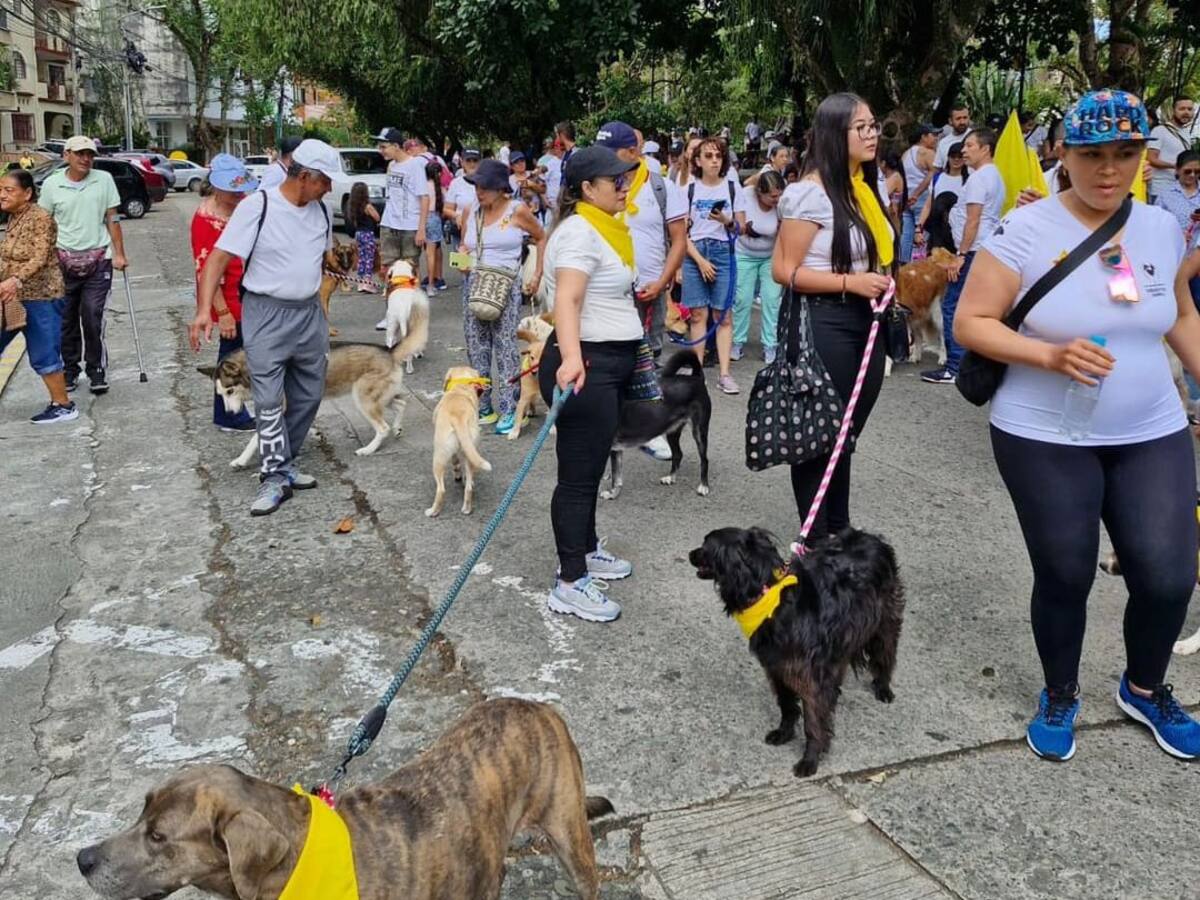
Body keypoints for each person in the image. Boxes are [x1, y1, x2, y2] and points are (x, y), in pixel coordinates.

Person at [954, 88, 1200, 762]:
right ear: (1063, 153)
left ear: (1145, 155)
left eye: (1127, 153)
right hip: (1043, 433)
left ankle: (1144, 690)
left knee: (1170, 574)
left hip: (1151, 427)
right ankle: (1059, 691)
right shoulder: (1026, 231)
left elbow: (1177, 311)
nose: (1110, 169)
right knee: (1065, 572)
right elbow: (968, 322)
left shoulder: (1158, 227)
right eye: (1093, 154)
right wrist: (1048, 354)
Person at [189, 139, 337, 517]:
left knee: (308, 394)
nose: (330, 188)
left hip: (308, 314)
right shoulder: (260, 205)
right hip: (266, 313)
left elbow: (318, 257)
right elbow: (218, 258)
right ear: (304, 176)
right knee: (269, 400)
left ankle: (285, 461)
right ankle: (273, 476)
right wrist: (205, 309)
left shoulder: (321, 210)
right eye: (325, 181)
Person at [772, 92, 894, 545]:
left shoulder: (865, 188)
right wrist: (850, 283)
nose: (871, 134)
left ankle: (838, 531)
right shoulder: (808, 194)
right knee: (820, 437)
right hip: (825, 325)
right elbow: (783, 271)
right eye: (860, 127)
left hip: (869, 324)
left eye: (873, 124)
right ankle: (818, 539)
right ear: (832, 134)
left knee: (845, 436)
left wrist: (876, 282)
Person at [537, 146, 642, 623]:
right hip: (585, 365)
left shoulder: (607, 229)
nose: (625, 187)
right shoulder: (580, 231)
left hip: (609, 361)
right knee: (578, 478)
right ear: (587, 189)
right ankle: (570, 579)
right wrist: (575, 359)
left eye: (627, 179)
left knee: (594, 466)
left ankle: (587, 547)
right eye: (616, 180)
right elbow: (568, 298)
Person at [458, 159, 546, 434]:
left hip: (505, 284)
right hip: (474, 283)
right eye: (476, 186)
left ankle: (511, 407)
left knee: (506, 345)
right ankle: (482, 404)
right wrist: (460, 262)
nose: (478, 192)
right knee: (476, 344)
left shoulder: (517, 210)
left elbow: (541, 238)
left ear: (500, 189)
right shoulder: (471, 211)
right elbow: (463, 244)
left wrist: (536, 275)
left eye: (484, 187)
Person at [38, 134, 127, 395]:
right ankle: (70, 368)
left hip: (98, 259)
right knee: (65, 320)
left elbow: (113, 218)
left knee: (91, 315)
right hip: (62, 260)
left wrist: (119, 253)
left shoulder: (104, 180)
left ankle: (96, 368)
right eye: (80, 154)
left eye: (90, 154)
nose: (86, 159)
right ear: (66, 156)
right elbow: (45, 224)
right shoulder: (53, 184)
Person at [595, 121, 687, 360]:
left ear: (633, 152)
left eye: (610, 152)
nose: (603, 159)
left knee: (650, 357)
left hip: (650, 290)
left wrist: (662, 283)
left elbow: (679, 240)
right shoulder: (597, 188)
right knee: (612, 357)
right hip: (607, 291)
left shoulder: (661, 188)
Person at [921, 126, 1004, 385]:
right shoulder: (992, 175)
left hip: (973, 250)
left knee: (952, 305)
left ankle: (955, 365)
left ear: (985, 148)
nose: (964, 151)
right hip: (982, 249)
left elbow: (973, 220)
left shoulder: (980, 179)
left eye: (969, 146)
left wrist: (961, 255)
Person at [190, 154, 259, 431]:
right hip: (228, 297)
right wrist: (222, 311)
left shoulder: (241, 207)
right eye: (232, 189)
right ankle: (228, 414)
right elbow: (205, 269)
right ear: (217, 187)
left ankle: (234, 409)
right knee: (231, 357)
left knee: (245, 352)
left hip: (248, 288)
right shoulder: (205, 220)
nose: (238, 193)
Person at [0, 169, 73, 423]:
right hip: (12, 296)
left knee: (44, 353)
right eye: (1, 190)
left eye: (9, 190)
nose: (2, 195)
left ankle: (63, 405)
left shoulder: (41, 218)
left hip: (41, 296)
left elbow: (40, 256)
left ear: (28, 193)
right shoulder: (13, 217)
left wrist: (16, 279)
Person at [682, 137, 747, 394]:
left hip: (722, 250)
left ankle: (724, 373)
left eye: (718, 156)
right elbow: (680, 233)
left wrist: (726, 220)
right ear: (697, 160)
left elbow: (740, 228)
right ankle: (696, 373)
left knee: (723, 315)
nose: (714, 161)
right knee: (698, 314)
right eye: (708, 156)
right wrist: (699, 260)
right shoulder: (689, 189)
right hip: (695, 251)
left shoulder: (732, 188)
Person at [732, 169, 785, 364]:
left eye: (779, 195)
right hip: (745, 254)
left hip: (770, 256)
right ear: (759, 192)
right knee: (742, 299)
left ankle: (770, 345)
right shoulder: (746, 196)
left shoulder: (782, 204)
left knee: (771, 301)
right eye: (772, 196)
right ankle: (737, 342)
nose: (776, 199)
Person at [373, 127, 430, 271]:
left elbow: (424, 197)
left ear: (396, 146)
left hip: (410, 227)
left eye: (384, 147)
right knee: (388, 266)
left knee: (410, 268)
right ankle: (391, 292)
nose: (381, 151)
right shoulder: (391, 165)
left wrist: (421, 229)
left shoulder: (415, 165)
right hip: (389, 224)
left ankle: (410, 294)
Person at [916, 141, 967, 253]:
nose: (956, 160)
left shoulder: (968, 181)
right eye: (953, 156)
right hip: (936, 232)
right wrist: (918, 229)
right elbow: (928, 206)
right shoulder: (938, 178)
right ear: (948, 158)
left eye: (960, 157)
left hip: (957, 233)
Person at [900, 124, 939, 262]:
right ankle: (918, 265)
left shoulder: (906, 153)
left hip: (906, 198)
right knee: (920, 233)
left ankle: (903, 265)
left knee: (906, 234)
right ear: (923, 137)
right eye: (933, 135)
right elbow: (933, 173)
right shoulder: (927, 153)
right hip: (921, 198)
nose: (936, 138)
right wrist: (917, 194)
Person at [1148, 96, 1195, 204]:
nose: (1186, 112)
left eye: (1189, 109)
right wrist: (1175, 166)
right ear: (1173, 110)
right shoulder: (1159, 130)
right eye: (1182, 109)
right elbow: (1151, 158)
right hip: (1160, 188)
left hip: (1179, 187)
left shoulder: (1186, 133)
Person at [1153, 150, 1200, 241]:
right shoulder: (1165, 195)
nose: (1192, 175)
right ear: (1177, 169)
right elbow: (1156, 225)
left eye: (1197, 171)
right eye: (1187, 171)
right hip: (1173, 249)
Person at [345, 181, 381, 293]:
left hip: (359, 234)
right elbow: (377, 217)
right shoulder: (367, 206)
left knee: (361, 258)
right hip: (368, 234)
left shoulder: (353, 207)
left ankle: (360, 282)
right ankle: (367, 282)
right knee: (369, 258)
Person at [443, 147, 481, 246]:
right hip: (459, 232)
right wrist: (457, 216)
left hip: (482, 232)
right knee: (462, 261)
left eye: (475, 161)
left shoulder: (488, 183)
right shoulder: (456, 183)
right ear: (462, 162)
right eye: (468, 160)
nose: (472, 164)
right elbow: (447, 209)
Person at [423, 160, 447, 291]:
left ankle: (428, 279)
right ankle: (432, 283)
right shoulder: (440, 189)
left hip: (423, 218)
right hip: (435, 218)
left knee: (427, 253)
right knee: (433, 252)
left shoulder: (423, 186)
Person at [934, 104, 971, 169]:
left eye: (965, 118)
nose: (962, 122)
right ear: (950, 121)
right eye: (958, 118)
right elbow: (938, 168)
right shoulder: (943, 143)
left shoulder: (976, 137)